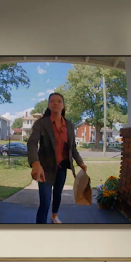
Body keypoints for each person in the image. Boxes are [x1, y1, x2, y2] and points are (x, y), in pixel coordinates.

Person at [27, 92, 87, 224]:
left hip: (62, 168)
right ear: (48, 105)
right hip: (45, 169)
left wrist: (80, 162)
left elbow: (72, 148)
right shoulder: (41, 123)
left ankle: (54, 216)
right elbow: (32, 143)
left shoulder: (70, 125)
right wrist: (35, 163)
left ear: (63, 105)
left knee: (58, 195)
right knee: (45, 202)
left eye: (59, 101)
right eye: (52, 101)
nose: (55, 103)